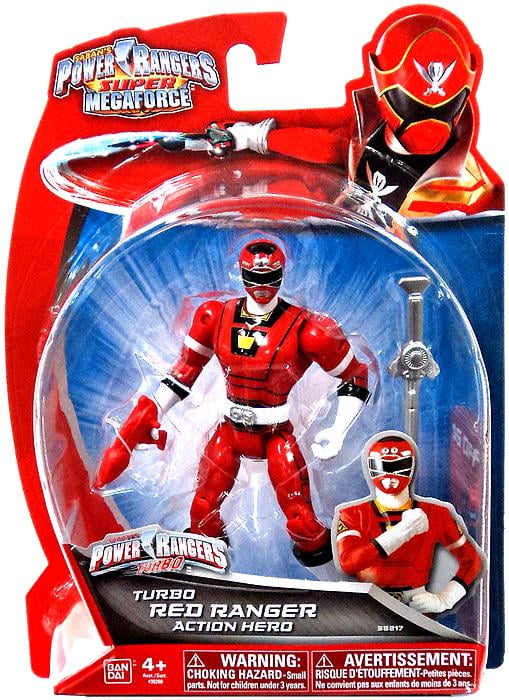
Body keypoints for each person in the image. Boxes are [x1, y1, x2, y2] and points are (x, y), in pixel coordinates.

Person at [96, 236, 370, 566]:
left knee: (303, 522)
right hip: (229, 431)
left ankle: (326, 566)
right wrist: (152, 410)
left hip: (275, 433)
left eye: (270, 277)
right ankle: (208, 562)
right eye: (254, 277)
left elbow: (355, 376)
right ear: (241, 273)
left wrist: (338, 430)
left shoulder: (307, 328)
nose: (262, 287)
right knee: (202, 511)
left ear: (282, 274)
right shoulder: (215, 316)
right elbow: (184, 373)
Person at [334, 431, 483, 613]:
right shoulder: (352, 514)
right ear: (371, 466)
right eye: (384, 466)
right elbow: (349, 563)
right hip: (368, 609)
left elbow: (472, 561)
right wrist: (401, 532)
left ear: (411, 467)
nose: (390, 474)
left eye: (399, 466)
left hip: (416, 608)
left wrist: (445, 599)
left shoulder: (437, 514)